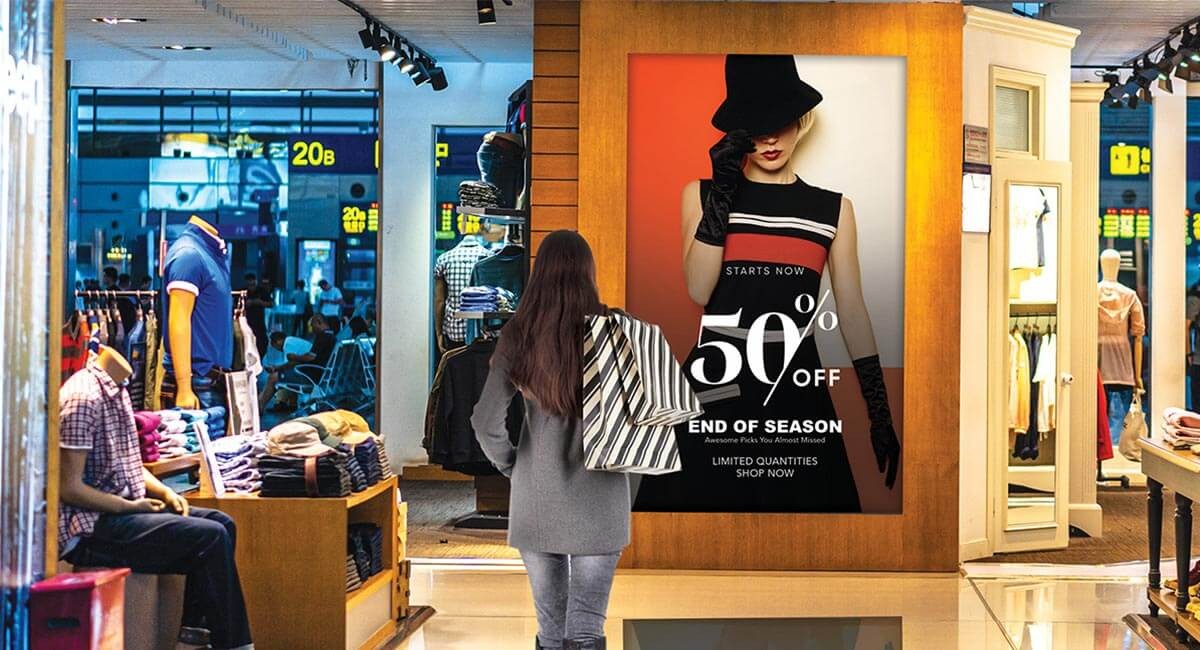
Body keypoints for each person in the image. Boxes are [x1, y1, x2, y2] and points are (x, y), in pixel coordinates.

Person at [635, 54, 900, 514]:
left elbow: (852, 311)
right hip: (714, 389)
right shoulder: (700, 196)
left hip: (796, 390)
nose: (771, 137)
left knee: (807, 541)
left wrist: (878, 410)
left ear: (801, 121)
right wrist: (721, 194)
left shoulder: (833, 210)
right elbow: (699, 291)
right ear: (736, 132)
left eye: (780, 121)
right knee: (695, 539)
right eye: (755, 125)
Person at [471, 230, 629, 650]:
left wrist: (515, 467)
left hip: (537, 496)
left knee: (551, 627)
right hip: (604, 494)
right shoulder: (617, 330)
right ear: (588, 273)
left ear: (539, 273)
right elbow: (643, 420)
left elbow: (484, 421)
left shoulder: (519, 334)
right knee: (586, 628)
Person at [58, 346, 252, 649]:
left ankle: (192, 637)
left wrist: (164, 492)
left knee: (222, 523)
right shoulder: (83, 397)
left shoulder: (116, 387)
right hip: (90, 528)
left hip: (123, 511)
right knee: (210, 537)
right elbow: (68, 486)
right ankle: (236, 645)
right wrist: (130, 506)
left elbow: (131, 463)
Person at [258, 313, 336, 409]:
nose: (312, 330)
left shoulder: (323, 337)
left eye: (312, 326)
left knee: (273, 377)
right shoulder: (331, 336)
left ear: (319, 322)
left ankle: (260, 405)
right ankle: (284, 402)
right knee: (282, 374)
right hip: (318, 374)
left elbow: (310, 357)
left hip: (311, 376)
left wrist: (294, 357)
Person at [242, 273, 272, 357]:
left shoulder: (262, 291)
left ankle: (261, 358)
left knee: (262, 342)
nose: (251, 286)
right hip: (247, 321)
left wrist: (259, 302)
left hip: (259, 321)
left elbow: (271, 304)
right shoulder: (243, 291)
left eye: (253, 284)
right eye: (249, 284)